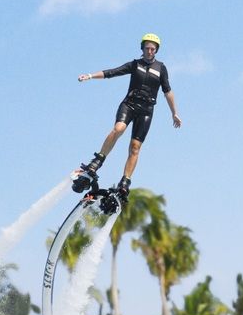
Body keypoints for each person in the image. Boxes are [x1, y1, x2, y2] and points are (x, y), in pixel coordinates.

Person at [72, 33, 182, 202]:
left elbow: (168, 92)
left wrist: (174, 113)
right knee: (119, 128)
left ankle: (125, 181)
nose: (150, 51)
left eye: (153, 49)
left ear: (156, 50)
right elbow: (113, 72)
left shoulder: (161, 68)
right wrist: (90, 76)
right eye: (147, 48)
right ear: (142, 48)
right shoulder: (135, 64)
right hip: (129, 105)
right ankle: (97, 161)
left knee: (135, 147)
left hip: (146, 111)